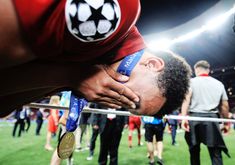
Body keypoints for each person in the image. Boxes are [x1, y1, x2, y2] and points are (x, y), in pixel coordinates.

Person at [0, 0, 191, 118]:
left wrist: (70, 79)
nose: (116, 103)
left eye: (126, 108)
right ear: (152, 64)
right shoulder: (117, 12)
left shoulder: (90, 70)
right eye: (132, 100)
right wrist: (73, 77)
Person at [181, 60, 230, 165]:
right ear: (208, 70)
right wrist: (226, 123)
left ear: (196, 70)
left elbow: (186, 100)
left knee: (194, 152)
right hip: (211, 119)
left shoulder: (191, 82)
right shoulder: (219, 84)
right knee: (216, 153)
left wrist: (184, 118)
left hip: (194, 119)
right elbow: (224, 106)